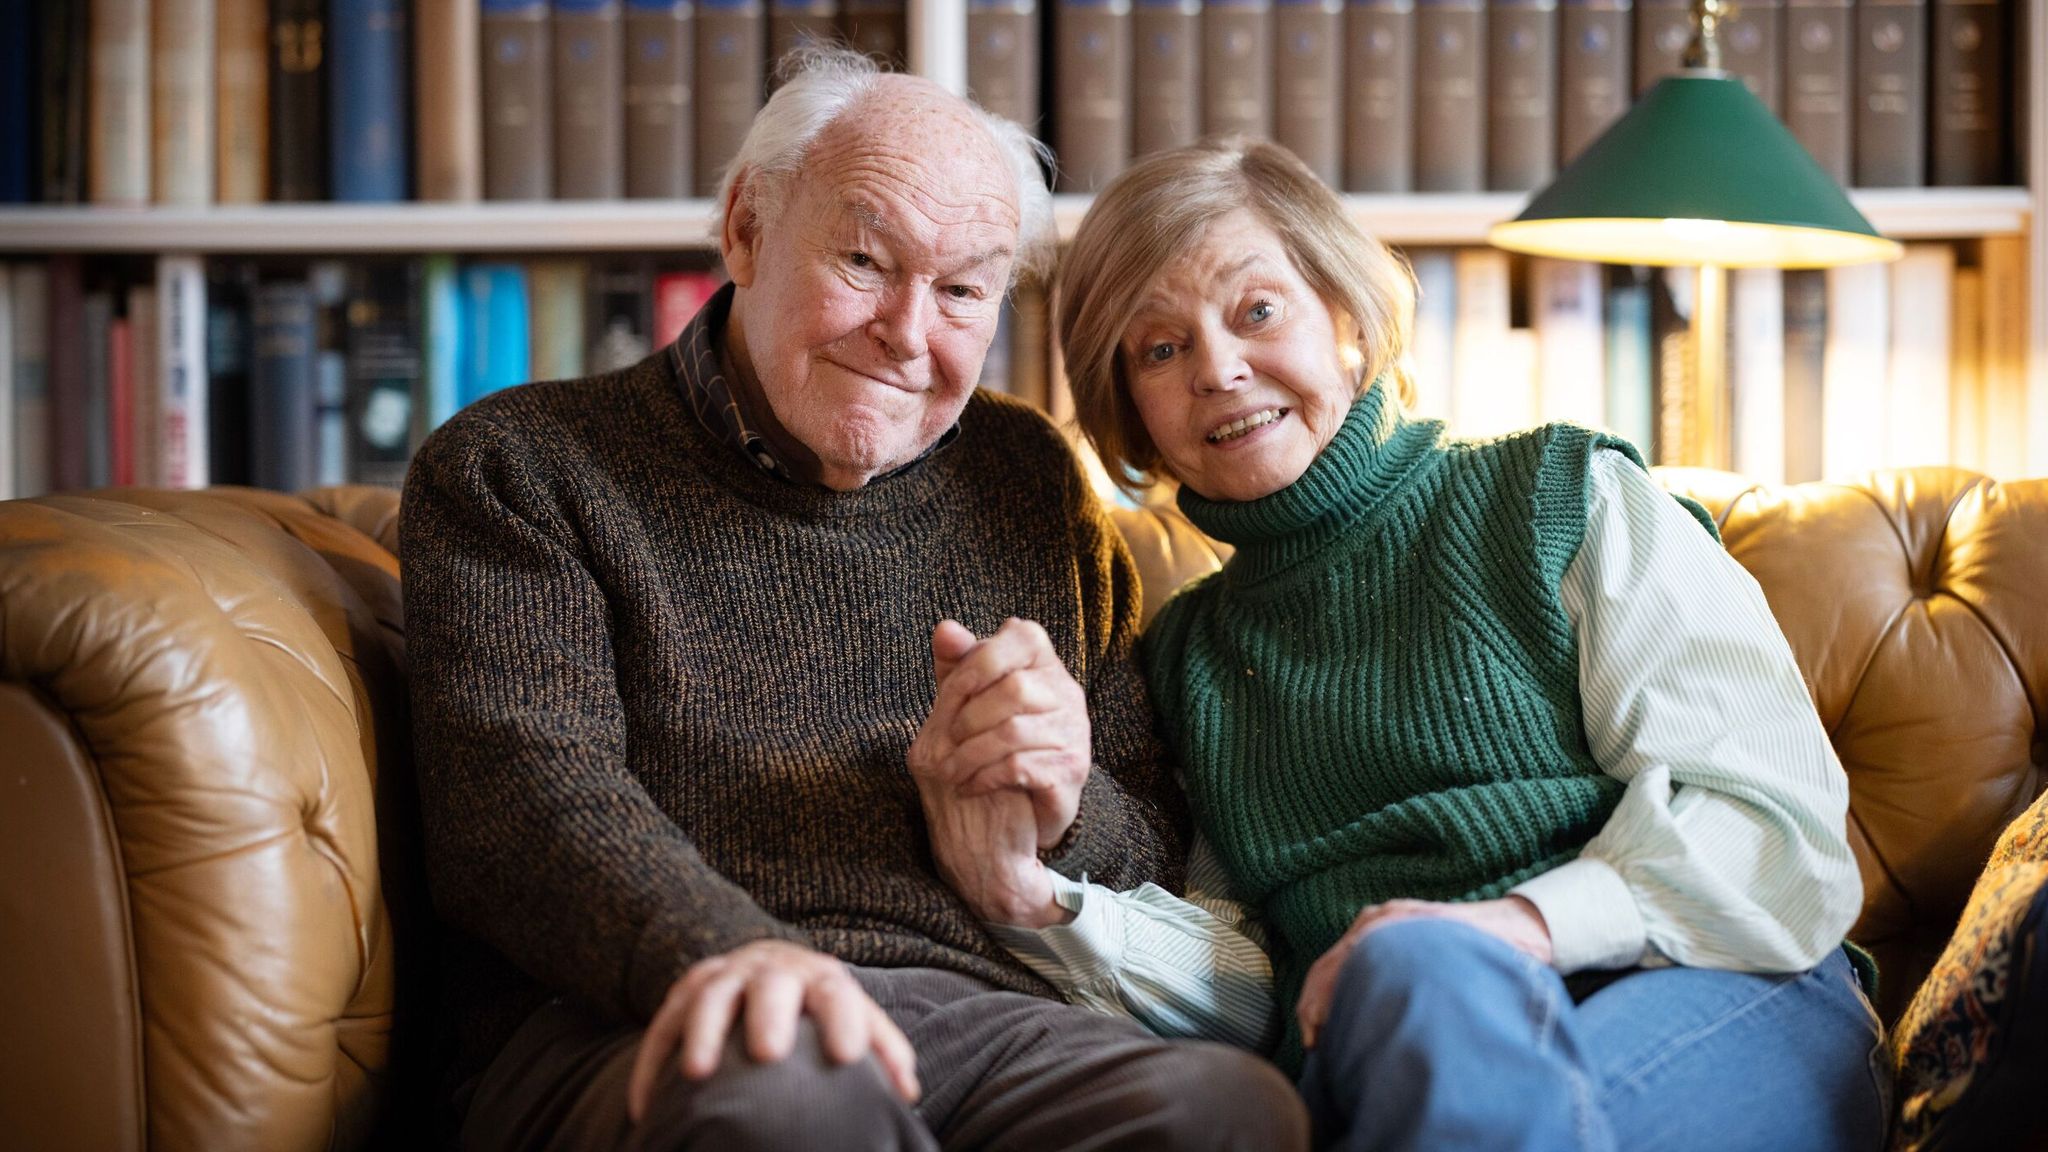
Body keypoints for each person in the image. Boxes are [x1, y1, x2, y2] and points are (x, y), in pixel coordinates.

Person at [400, 50, 1307, 1152]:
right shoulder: (523, 465)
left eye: (963, 290)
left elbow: (1152, 844)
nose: (908, 333)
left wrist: (1065, 802)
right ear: (746, 230)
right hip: (636, 1013)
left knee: (1223, 1111)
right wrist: (730, 950)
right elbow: (520, 805)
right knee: (795, 1100)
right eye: (867, 260)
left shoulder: (1024, 474)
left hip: (977, 1018)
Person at [975, 138, 1889, 1152]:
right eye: (1159, 349)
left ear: (1348, 322)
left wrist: (1504, 930)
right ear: (1132, 415)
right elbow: (1250, 990)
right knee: (1408, 990)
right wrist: (1038, 900)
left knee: (1418, 975)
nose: (1219, 368)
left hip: (1710, 988)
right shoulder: (1186, 661)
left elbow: (1771, 829)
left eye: (1255, 311)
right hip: (1400, 1043)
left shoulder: (1557, 497)